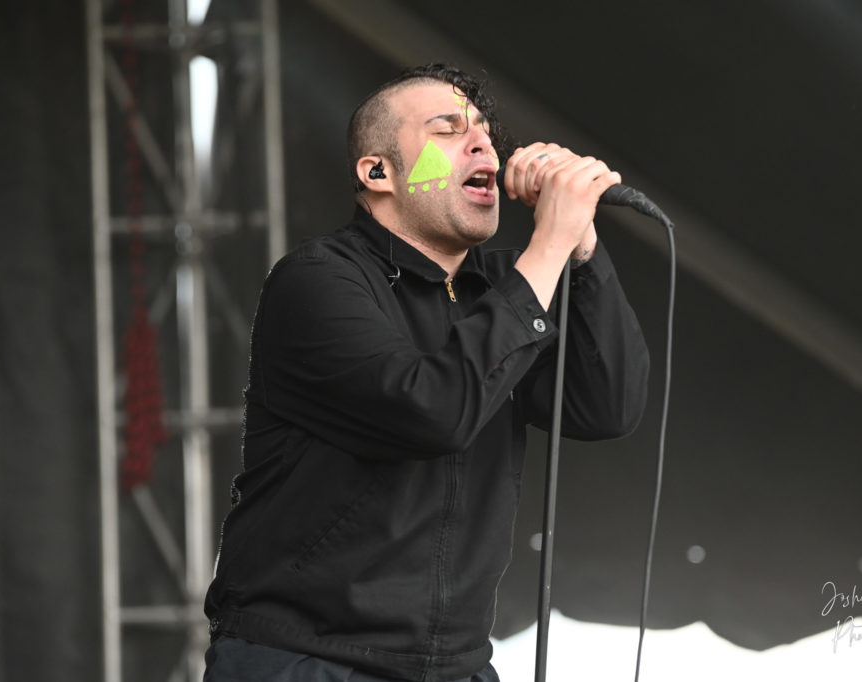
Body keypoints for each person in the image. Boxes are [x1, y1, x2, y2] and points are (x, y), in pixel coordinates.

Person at [203, 63, 650, 682]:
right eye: (448, 130)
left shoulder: (500, 289)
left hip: (455, 666)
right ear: (378, 173)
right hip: (310, 659)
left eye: (486, 133)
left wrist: (582, 248)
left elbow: (608, 405)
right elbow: (433, 412)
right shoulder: (317, 280)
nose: (483, 144)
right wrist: (547, 246)